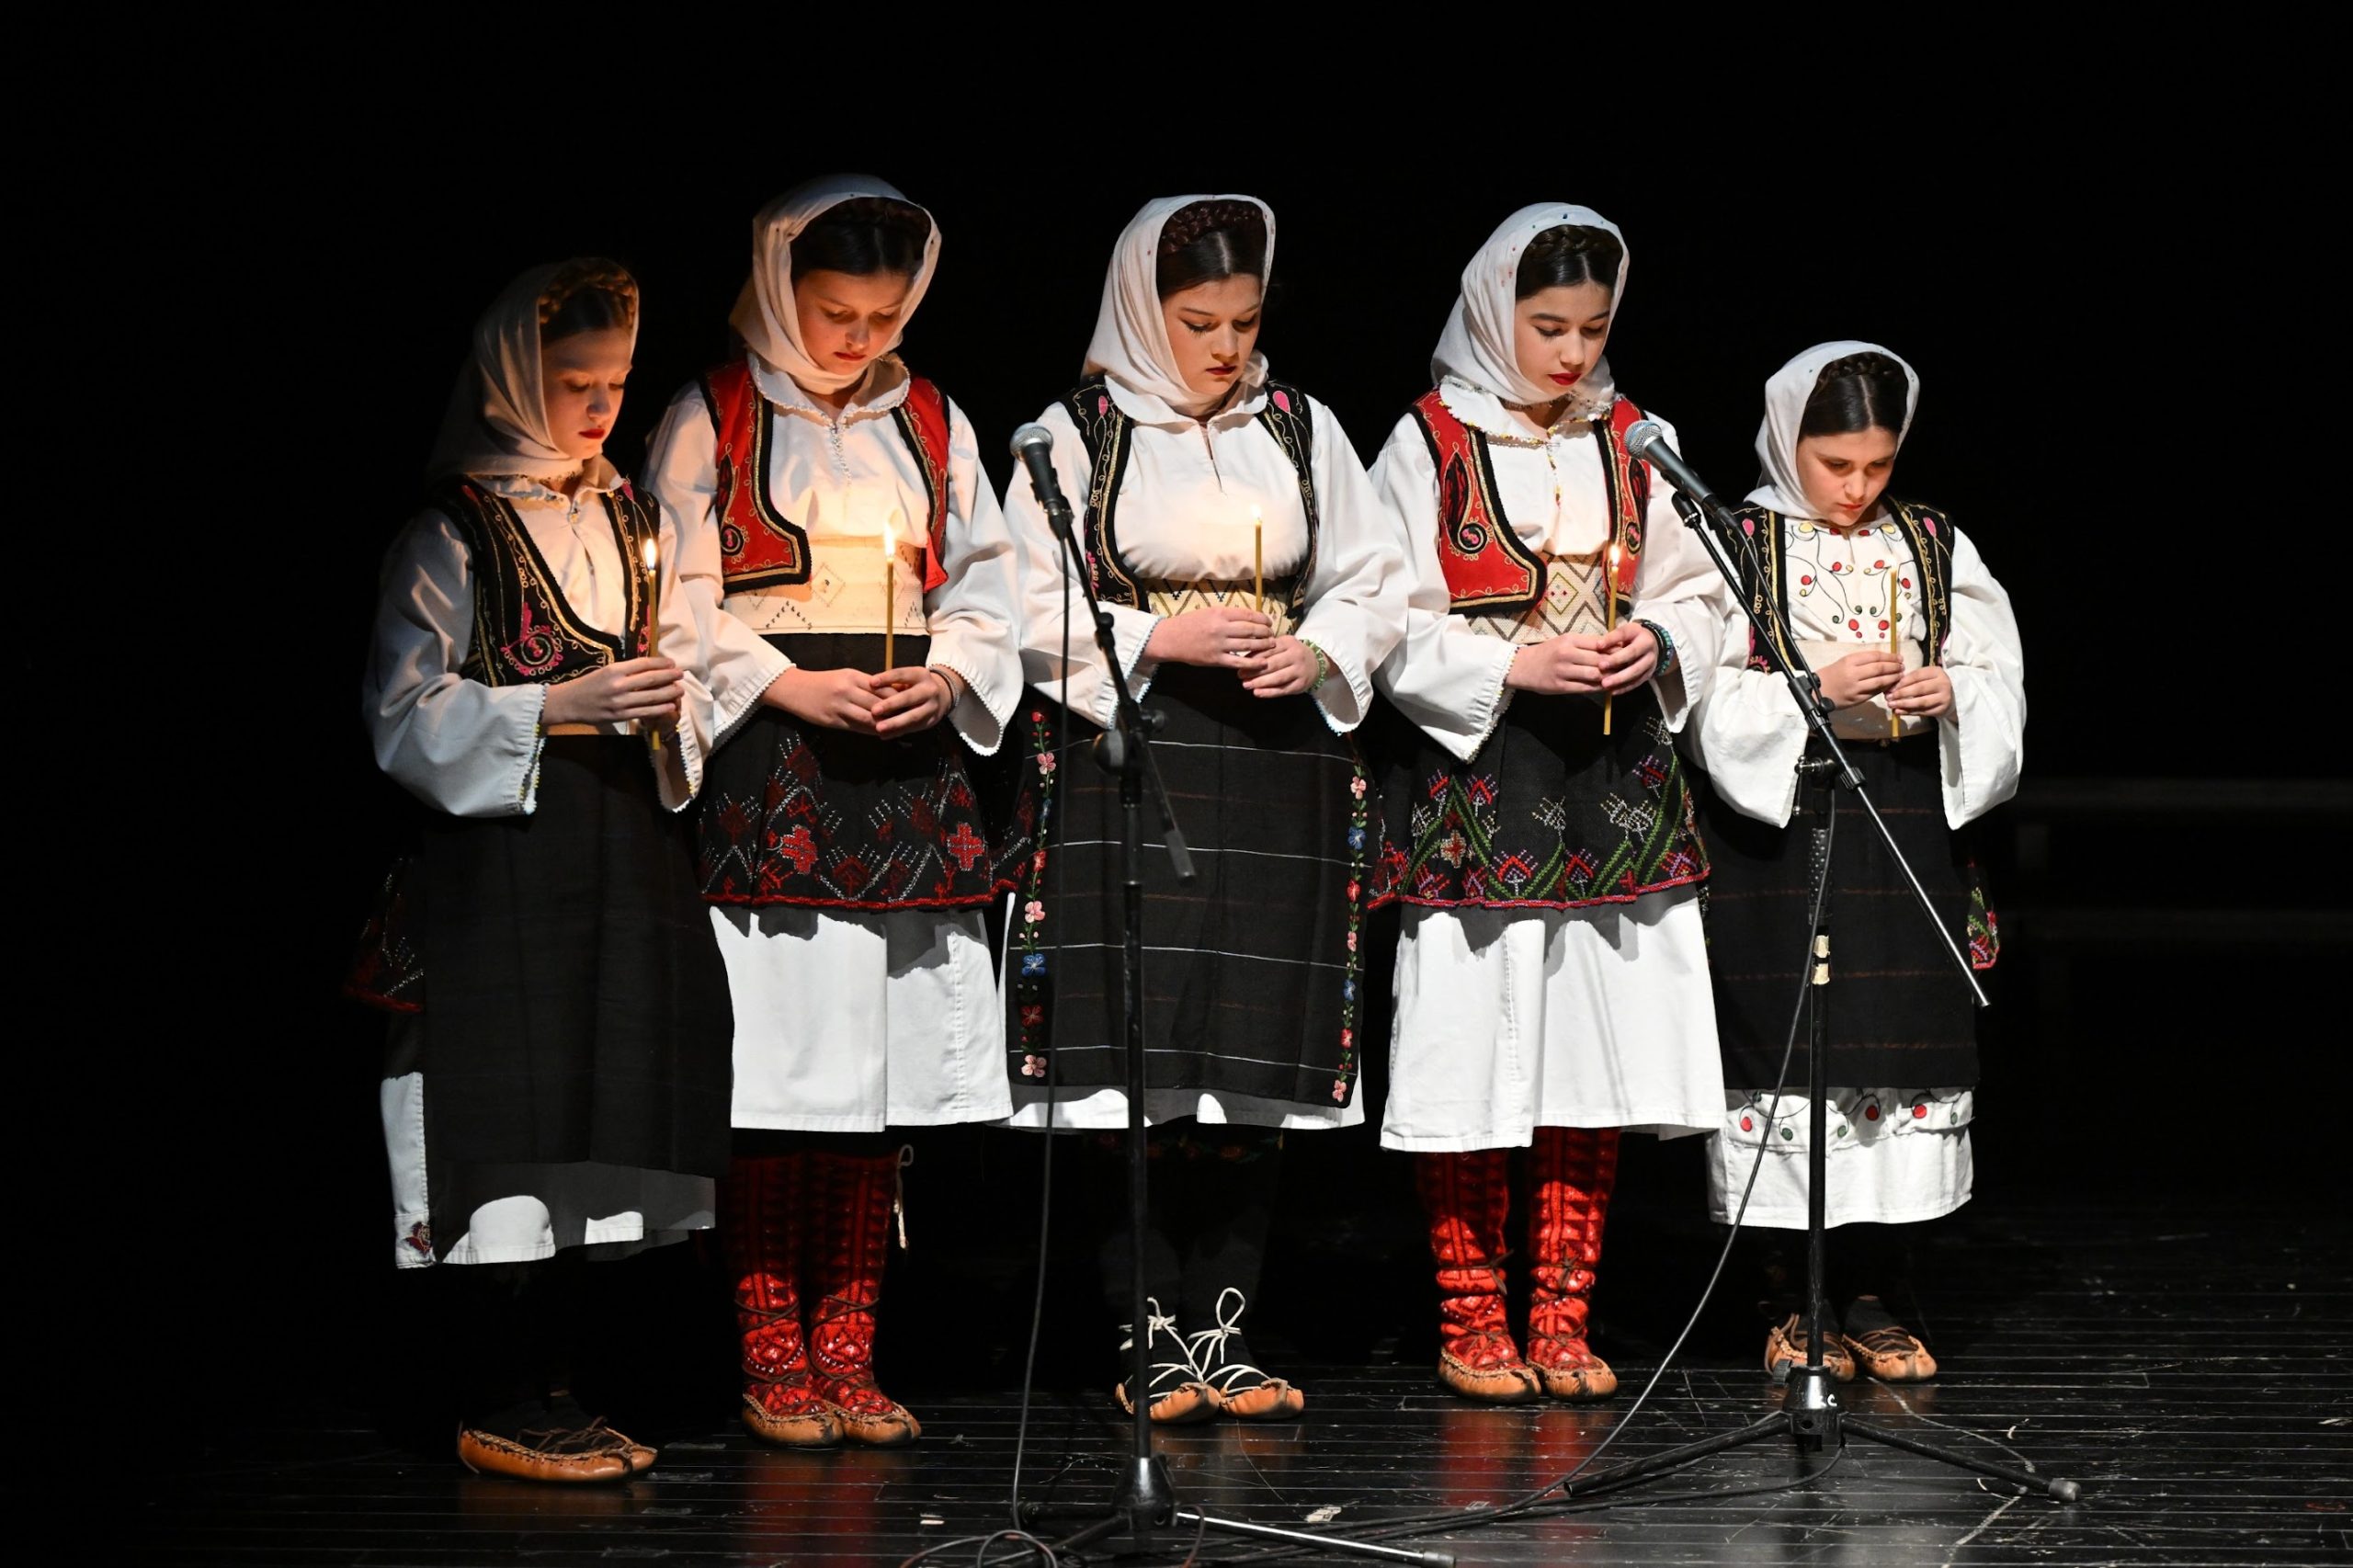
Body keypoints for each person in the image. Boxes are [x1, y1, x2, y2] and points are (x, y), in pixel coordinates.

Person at [995, 194, 1408, 1423]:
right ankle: (1145, 1332)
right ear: (1143, 310)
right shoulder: (1074, 436)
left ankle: (1225, 1328)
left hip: (1278, 762)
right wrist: (1154, 636)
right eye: (1198, 322)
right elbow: (1021, 600)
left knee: (1250, 1050)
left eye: (1244, 320)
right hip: (1138, 754)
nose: (1227, 347)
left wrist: (1320, 650)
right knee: (1140, 1049)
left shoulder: (1301, 425)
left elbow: (1376, 578)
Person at [642, 176, 1022, 1449]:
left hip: (903, 761)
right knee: (783, 1067)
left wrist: (950, 671)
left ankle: (851, 1347)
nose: (858, 339)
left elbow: (990, 582)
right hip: (776, 765)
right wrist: (784, 681)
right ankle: (770, 1347)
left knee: (875, 1077)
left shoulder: (932, 419)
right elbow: (671, 594)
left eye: (881, 316)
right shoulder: (713, 414)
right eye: (834, 312)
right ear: (777, 287)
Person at [354, 258, 732, 1482]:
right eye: (574, 383)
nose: (599, 408)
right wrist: (555, 706)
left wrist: (672, 707)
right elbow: (401, 712)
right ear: (517, 378)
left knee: (594, 1122)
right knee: (510, 1120)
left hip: (620, 852)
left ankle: (563, 1384)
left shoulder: (632, 519)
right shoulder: (452, 530)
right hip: (502, 868)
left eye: (615, 383)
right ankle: (497, 1391)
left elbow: (687, 665)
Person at [1366, 205, 1727, 1404]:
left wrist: (1658, 638)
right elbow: (1379, 614)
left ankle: (1563, 1312)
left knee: (1591, 1047)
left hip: (1612, 782)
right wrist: (1510, 661)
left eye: (1592, 328)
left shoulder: (1637, 438)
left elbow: (1706, 591)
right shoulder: (1427, 441)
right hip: (1484, 778)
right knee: (1474, 1042)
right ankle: (1471, 1313)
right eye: (1548, 327)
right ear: (1494, 314)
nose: (1573, 352)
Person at [1685, 342, 2025, 1382]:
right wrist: (1813, 688)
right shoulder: (1735, 540)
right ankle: (1788, 1291)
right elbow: (1700, 695)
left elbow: (1997, 668)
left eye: (1877, 464)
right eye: (1835, 464)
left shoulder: (1929, 540)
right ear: (1789, 442)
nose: (1855, 487)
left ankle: (1878, 1285)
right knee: (1790, 1050)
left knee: (1895, 1043)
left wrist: (1951, 691)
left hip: (1904, 808)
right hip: (1783, 823)